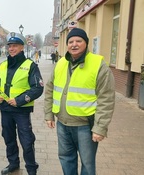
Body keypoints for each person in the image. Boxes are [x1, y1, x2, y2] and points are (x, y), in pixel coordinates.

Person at [44, 28, 115, 175]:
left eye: (78, 41)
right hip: (62, 124)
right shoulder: (61, 63)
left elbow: (106, 98)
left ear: (86, 43)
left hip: (85, 126)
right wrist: (49, 114)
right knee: (65, 158)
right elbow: (50, 88)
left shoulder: (98, 65)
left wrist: (100, 128)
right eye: (70, 41)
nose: (74, 44)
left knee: (87, 164)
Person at [0, 32, 44, 175]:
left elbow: (38, 88)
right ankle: (13, 163)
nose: (11, 49)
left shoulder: (30, 65)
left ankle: (31, 168)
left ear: (22, 47)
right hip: (5, 110)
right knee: (8, 138)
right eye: (10, 46)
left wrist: (19, 100)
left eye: (15, 46)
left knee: (27, 141)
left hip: (21, 111)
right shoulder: (3, 65)